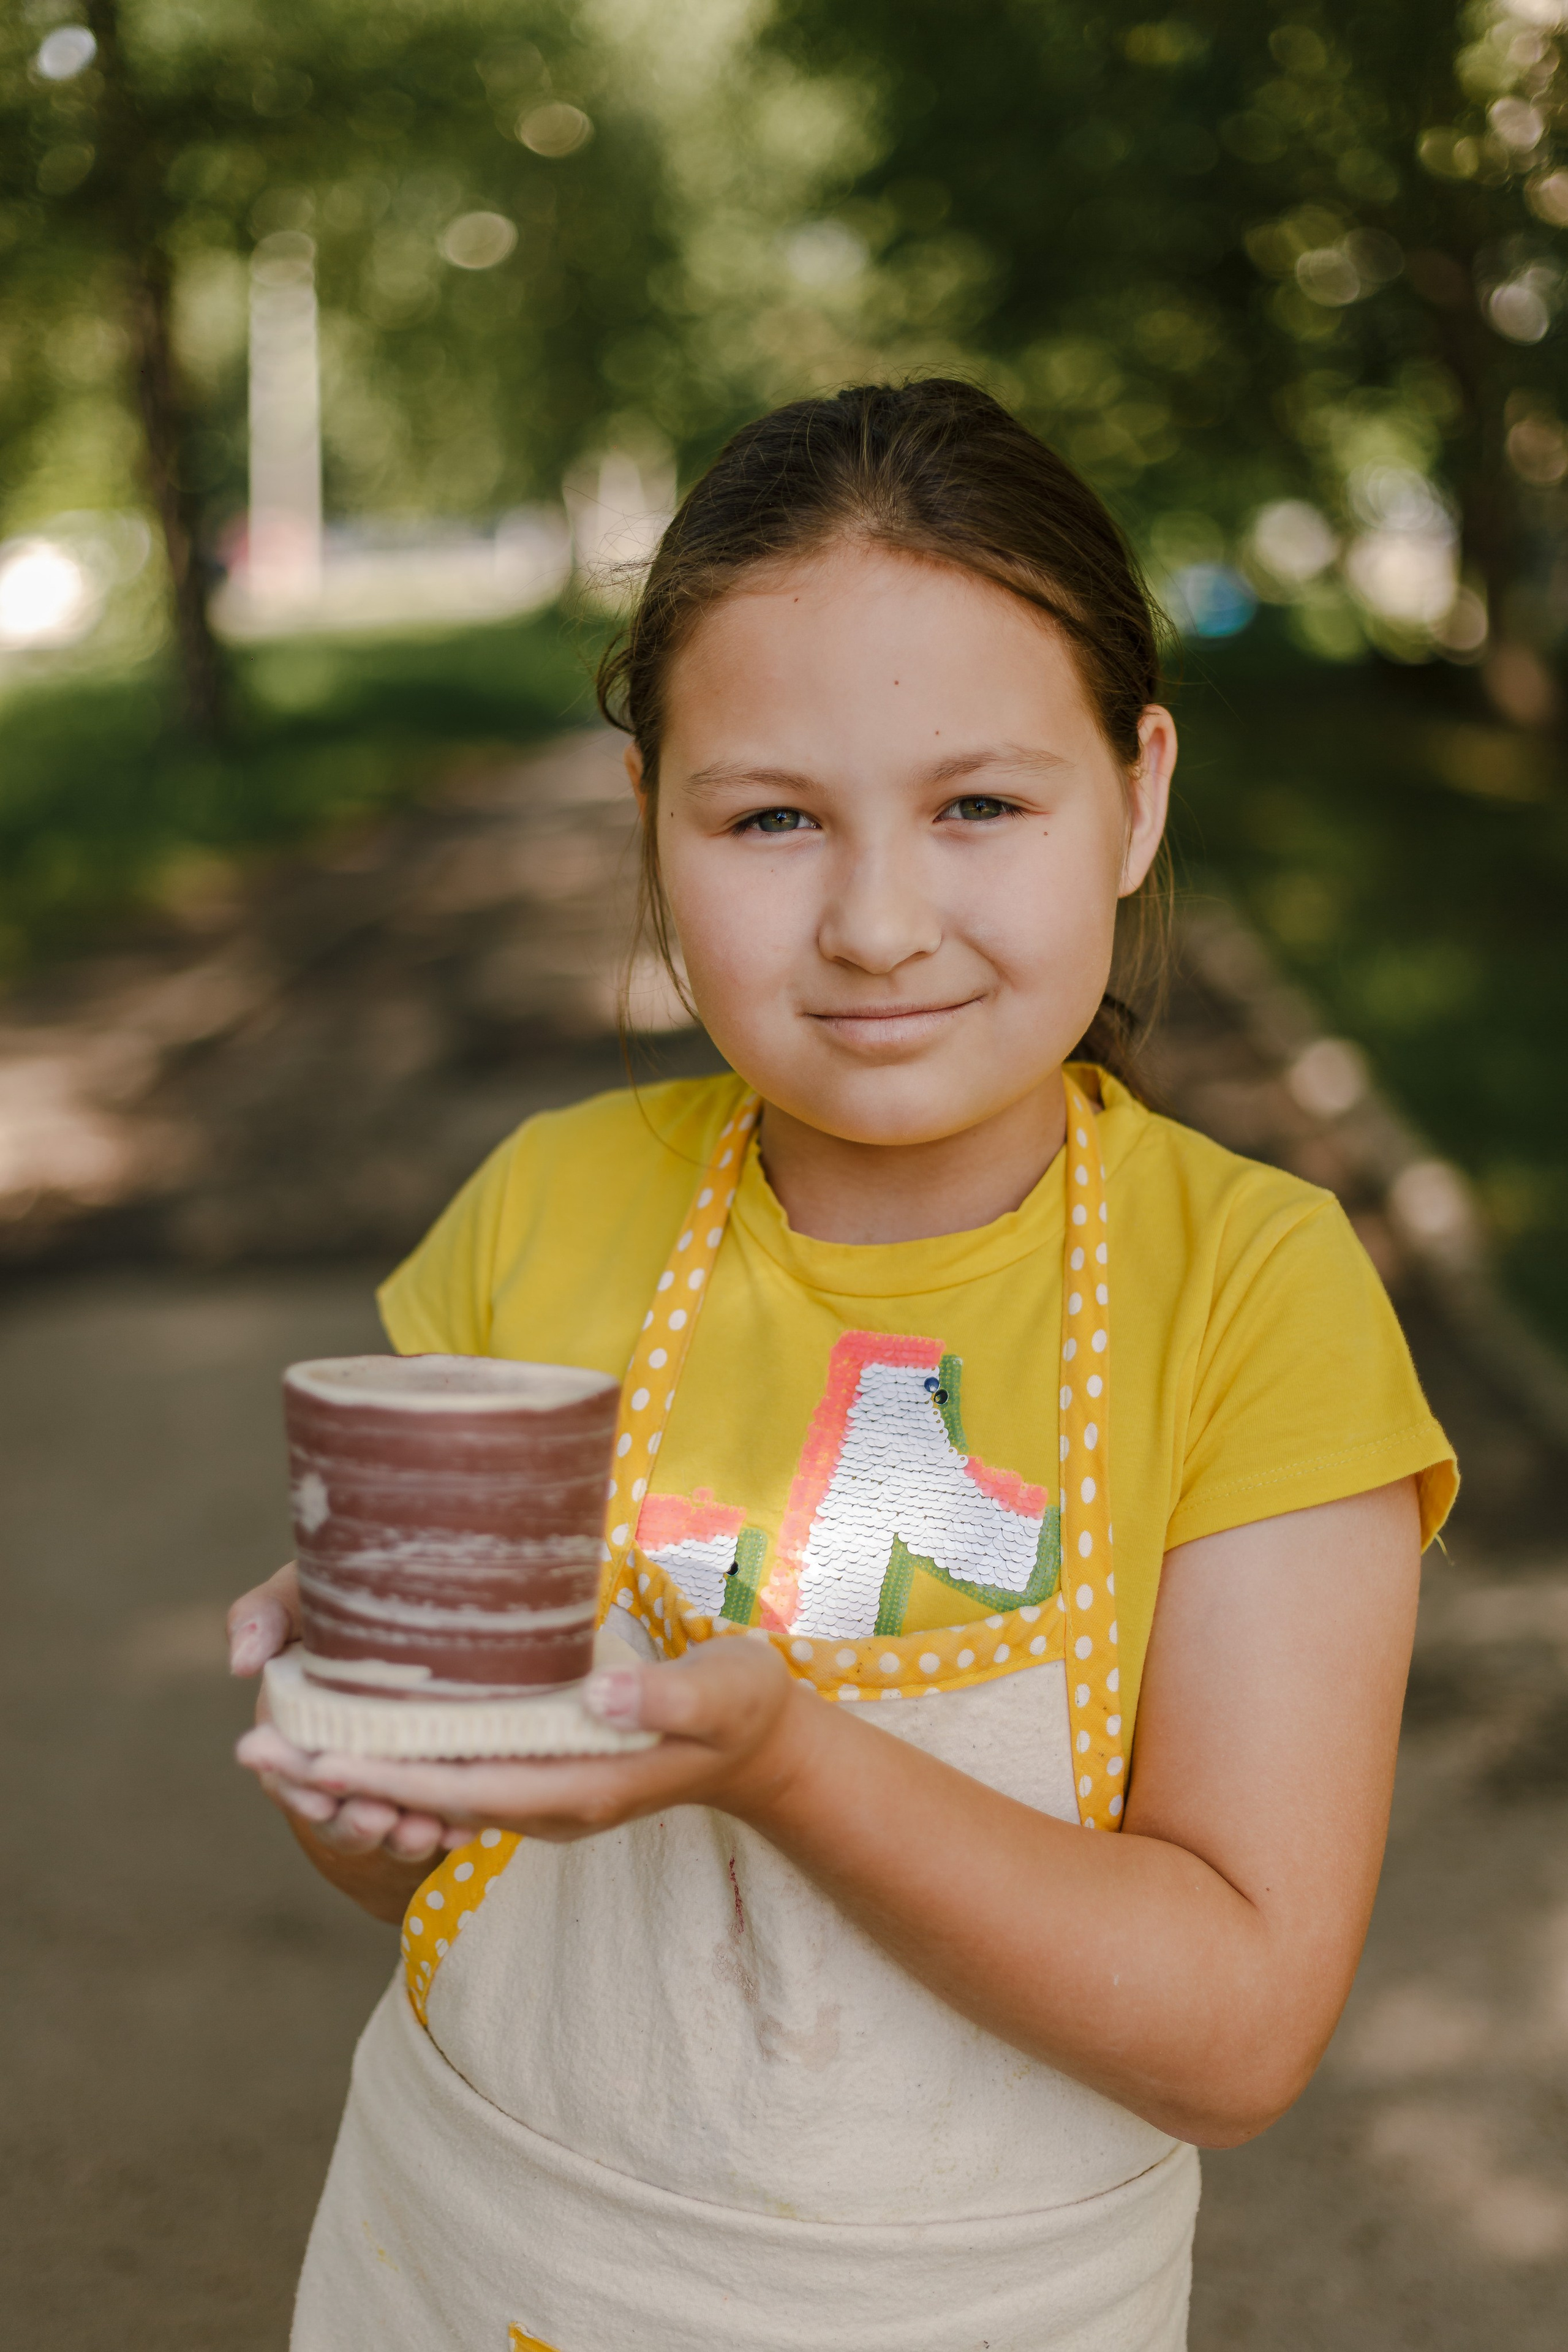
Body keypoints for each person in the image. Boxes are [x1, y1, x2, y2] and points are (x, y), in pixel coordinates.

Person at [230, 379, 1456, 2352]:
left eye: (980, 803)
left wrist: (787, 1766)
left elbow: (1236, 2037)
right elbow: (436, 1883)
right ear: (652, 817)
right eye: (774, 818)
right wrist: (361, 1781)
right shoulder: (536, 1218)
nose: (880, 924)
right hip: (462, 2271)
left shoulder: (1253, 1293)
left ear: (1137, 794)